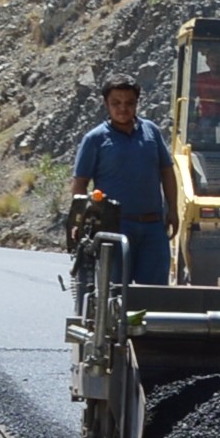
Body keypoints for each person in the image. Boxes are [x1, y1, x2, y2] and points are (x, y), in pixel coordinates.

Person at [68, 74, 178, 287]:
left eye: (129, 103)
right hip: (114, 228)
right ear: (106, 104)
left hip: (153, 226)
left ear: (137, 103)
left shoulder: (151, 132)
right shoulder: (95, 139)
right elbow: (80, 183)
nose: (123, 109)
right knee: (114, 294)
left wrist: (172, 209)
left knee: (154, 294)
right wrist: (79, 220)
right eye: (116, 103)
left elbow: (166, 171)